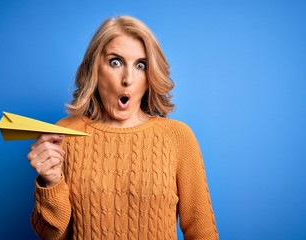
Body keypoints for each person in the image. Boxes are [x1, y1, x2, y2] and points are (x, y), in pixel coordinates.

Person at [27, 16, 218, 240]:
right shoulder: (65, 133)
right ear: (94, 68)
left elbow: (202, 232)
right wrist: (50, 184)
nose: (128, 79)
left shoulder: (177, 137)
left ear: (150, 75)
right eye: (115, 62)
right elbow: (51, 235)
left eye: (140, 65)